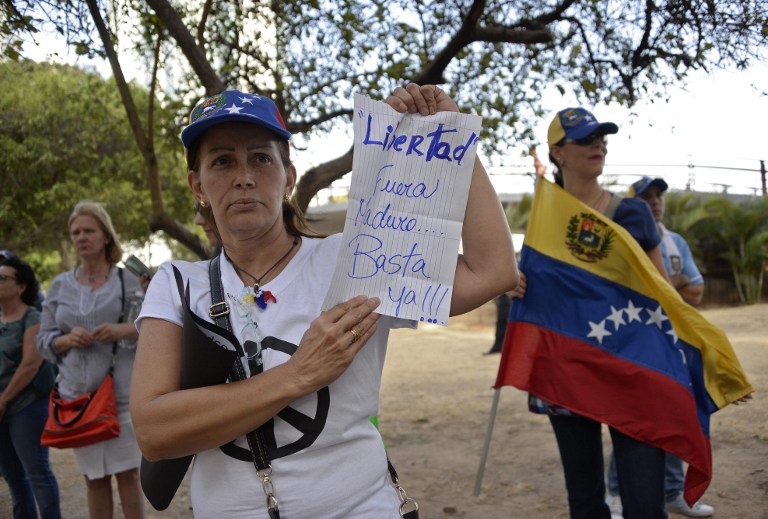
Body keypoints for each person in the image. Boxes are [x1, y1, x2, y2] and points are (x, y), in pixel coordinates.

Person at [130, 84, 518, 517]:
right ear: (197, 185)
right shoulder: (178, 284)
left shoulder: (352, 259)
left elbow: (493, 272)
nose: (244, 176)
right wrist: (299, 375)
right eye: (222, 161)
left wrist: (453, 140)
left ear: (288, 178)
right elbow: (153, 431)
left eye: (261, 158)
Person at [518, 107, 674, 518]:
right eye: (585, 140)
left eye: (601, 138)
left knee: (644, 504)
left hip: (632, 368)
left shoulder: (634, 214)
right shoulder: (542, 217)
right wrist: (514, 283)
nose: (598, 145)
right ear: (558, 153)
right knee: (585, 503)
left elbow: (664, 295)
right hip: (567, 371)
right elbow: (529, 284)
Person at [605, 176, 711, 518]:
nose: (655, 202)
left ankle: (672, 492)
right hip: (633, 343)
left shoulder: (676, 242)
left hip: (672, 342)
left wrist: (662, 287)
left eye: (659, 196)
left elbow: (696, 293)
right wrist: (670, 285)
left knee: (672, 414)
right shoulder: (619, 237)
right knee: (631, 419)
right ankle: (616, 493)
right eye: (646, 196)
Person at [36, 201, 146, 519]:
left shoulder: (129, 281)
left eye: (89, 230)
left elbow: (153, 326)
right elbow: (43, 340)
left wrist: (120, 329)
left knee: (130, 476)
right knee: (94, 480)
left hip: (121, 397)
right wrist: (66, 340)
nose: (81, 237)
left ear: (106, 236)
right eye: (75, 232)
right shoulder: (58, 286)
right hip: (77, 400)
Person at [0, 255, 62, 519]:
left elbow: (30, 365)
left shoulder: (33, 317)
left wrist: (3, 401)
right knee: (12, 477)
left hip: (26, 405)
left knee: (37, 472)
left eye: (3, 278)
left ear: (21, 286)